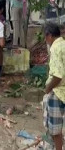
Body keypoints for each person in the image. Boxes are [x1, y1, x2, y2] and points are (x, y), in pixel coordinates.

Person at [43, 22, 65, 150]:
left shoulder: (55, 48)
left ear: (49, 36)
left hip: (57, 93)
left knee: (55, 130)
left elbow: (58, 75)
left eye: (46, 38)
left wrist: (48, 88)